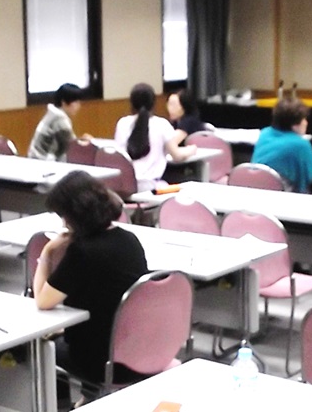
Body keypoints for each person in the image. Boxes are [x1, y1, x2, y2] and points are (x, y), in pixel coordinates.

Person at [34, 171, 148, 405]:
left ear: (74, 215)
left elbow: (43, 301)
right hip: (139, 350)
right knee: (86, 332)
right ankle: (87, 398)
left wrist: (47, 252)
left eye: (63, 215)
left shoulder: (82, 252)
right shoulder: (130, 239)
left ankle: (59, 405)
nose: (63, 223)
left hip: (103, 362)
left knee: (38, 344)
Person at [114, 83, 196, 191]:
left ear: (132, 103)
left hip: (124, 187)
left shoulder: (122, 123)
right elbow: (177, 155)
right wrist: (191, 150)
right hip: (151, 188)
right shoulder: (162, 124)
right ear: (153, 103)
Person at [251, 98, 312, 192]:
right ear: (294, 124)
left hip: (256, 191)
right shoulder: (300, 144)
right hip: (283, 195)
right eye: (304, 119)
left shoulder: (265, 133)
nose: (306, 122)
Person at [28, 83, 91, 162]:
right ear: (64, 102)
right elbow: (73, 148)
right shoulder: (59, 119)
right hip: (44, 163)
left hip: (35, 160)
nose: (79, 106)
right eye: (76, 102)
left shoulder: (52, 114)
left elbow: (68, 140)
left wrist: (81, 140)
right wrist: (89, 143)